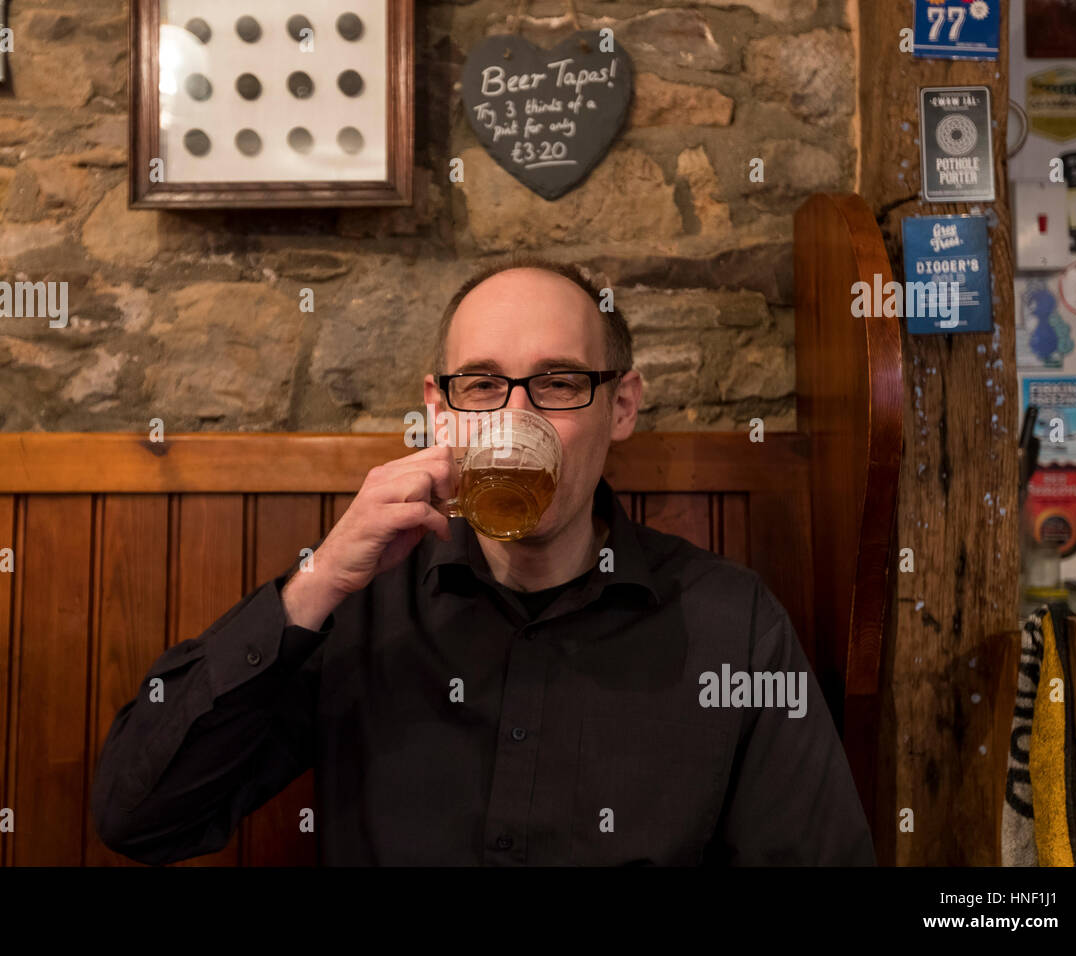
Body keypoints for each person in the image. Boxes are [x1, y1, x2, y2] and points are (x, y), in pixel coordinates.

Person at [91, 254, 877, 866]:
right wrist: (318, 580)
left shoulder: (728, 623)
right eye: (483, 385)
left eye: (559, 382)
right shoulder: (360, 604)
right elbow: (141, 815)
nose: (515, 417)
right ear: (440, 410)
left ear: (623, 406)